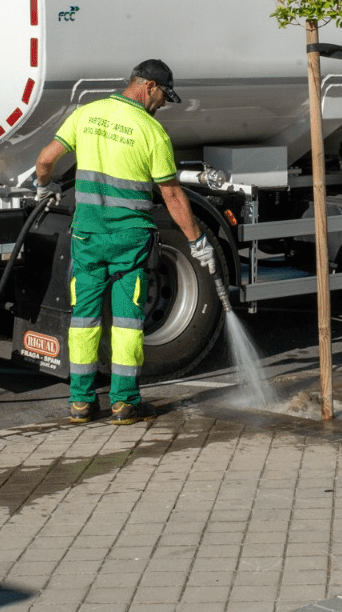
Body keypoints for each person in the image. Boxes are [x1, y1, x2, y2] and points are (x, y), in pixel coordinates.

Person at [31, 59, 216, 425]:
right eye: (163, 94)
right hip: (129, 243)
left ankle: (81, 403)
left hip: (87, 237)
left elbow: (45, 159)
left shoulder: (87, 114)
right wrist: (197, 241)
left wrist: (43, 188)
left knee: (83, 319)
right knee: (128, 322)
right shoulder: (151, 132)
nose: (163, 103)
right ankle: (124, 403)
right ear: (148, 86)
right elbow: (173, 197)